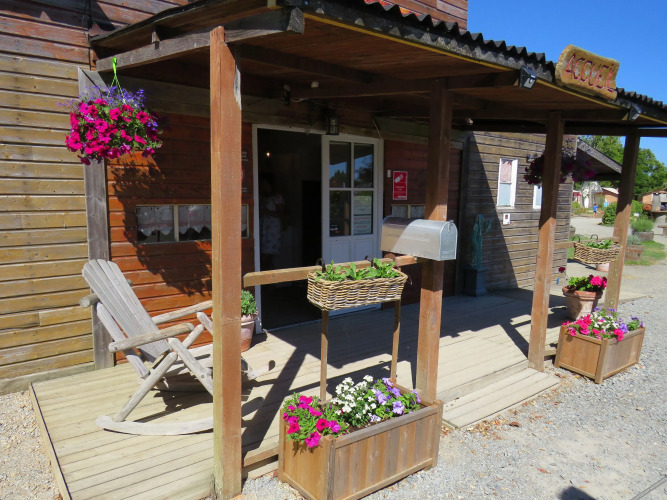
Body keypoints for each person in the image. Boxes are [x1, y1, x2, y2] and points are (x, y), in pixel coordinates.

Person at [259, 173, 285, 270]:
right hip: (263, 229)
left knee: (267, 256)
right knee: (263, 256)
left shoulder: (277, 197)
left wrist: (266, 212)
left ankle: (268, 277)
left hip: (272, 231)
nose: (263, 186)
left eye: (265, 183)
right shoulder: (262, 197)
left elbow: (280, 213)